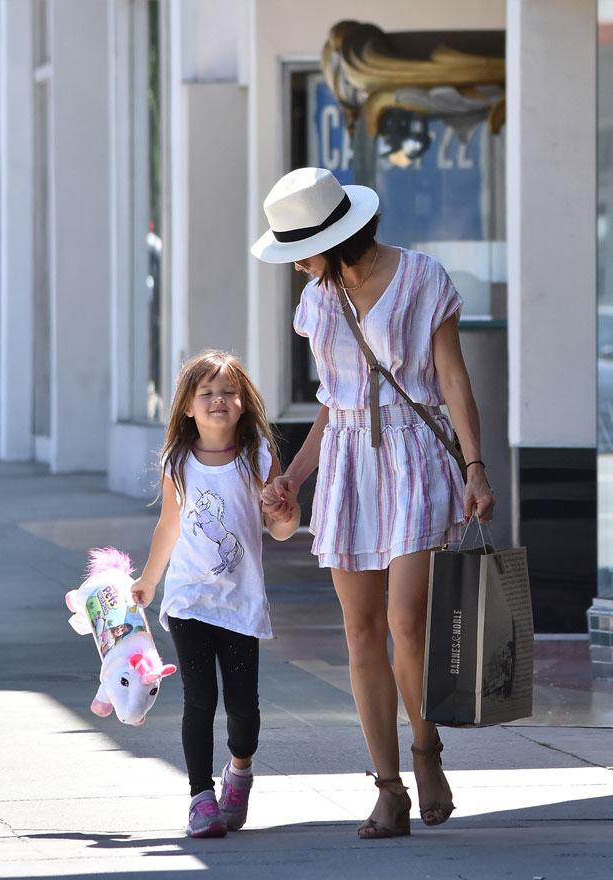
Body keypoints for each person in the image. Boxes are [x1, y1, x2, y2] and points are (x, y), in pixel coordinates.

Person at [251, 167, 496, 839]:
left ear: (336, 237)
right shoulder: (319, 302)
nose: (297, 265)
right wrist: (294, 477)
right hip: (350, 466)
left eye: (302, 249)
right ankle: (387, 788)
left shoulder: (422, 279)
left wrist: (474, 467)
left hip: (416, 458)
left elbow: (451, 379)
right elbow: (334, 404)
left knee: (407, 623)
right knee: (360, 633)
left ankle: (426, 750)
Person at [129, 349, 301, 838]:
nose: (218, 400)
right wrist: (149, 580)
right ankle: (200, 798)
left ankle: (239, 772)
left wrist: (286, 513)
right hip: (188, 601)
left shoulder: (258, 457)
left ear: (244, 403)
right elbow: (168, 525)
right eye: (206, 393)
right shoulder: (178, 461)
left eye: (228, 392)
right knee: (199, 699)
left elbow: (282, 526)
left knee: (244, 707)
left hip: (240, 601)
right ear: (187, 406)